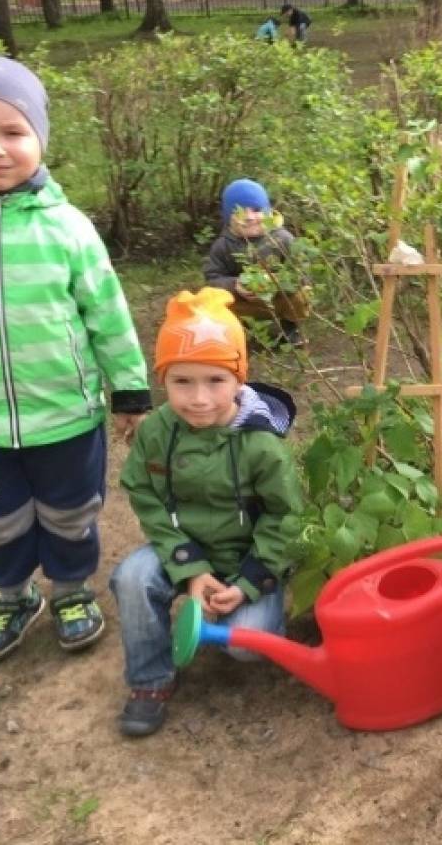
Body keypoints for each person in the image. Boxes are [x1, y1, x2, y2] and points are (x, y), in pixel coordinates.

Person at [0, 55, 151, 665]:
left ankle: (73, 590)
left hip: (66, 416)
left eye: (13, 132)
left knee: (72, 512)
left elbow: (108, 312)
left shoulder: (67, 227)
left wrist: (129, 391)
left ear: (39, 140)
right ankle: (13, 594)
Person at [110, 287, 303, 737]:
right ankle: (149, 681)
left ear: (240, 379)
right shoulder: (157, 430)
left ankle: (252, 604)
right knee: (132, 577)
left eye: (215, 381)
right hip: (184, 547)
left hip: (246, 556)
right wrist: (189, 567)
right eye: (182, 382)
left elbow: (286, 518)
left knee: (247, 648)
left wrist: (253, 579)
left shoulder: (261, 444)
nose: (199, 398)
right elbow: (143, 491)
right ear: (163, 381)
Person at [204, 178, 310, 348]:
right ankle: (238, 330)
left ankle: (291, 329)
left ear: (268, 211)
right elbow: (212, 279)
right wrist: (235, 285)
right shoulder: (223, 245)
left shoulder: (282, 239)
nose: (250, 217)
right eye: (239, 212)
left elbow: (303, 274)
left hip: (279, 299)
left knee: (301, 294)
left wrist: (278, 281)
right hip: (244, 302)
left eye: (256, 210)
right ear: (228, 217)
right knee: (213, 300)